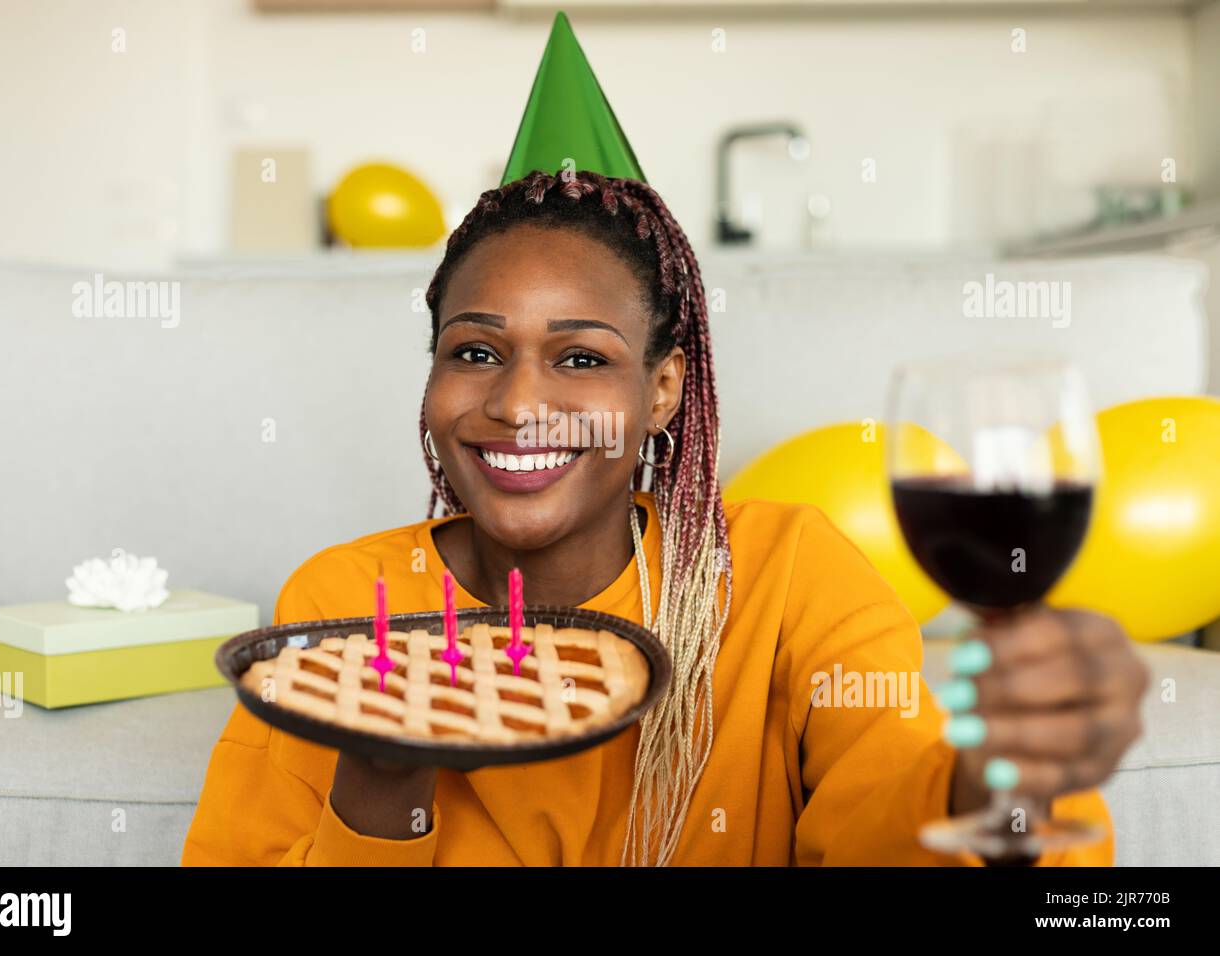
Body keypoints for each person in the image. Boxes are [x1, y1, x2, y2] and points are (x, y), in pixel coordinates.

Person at [182, 169, 1148, 867]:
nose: (518, 405)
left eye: (581, 358)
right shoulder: (352, 601)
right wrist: (382, 778)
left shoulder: (785, 573)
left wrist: (1000, 780)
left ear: (665, 390)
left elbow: (891, 818)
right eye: (475, 353)